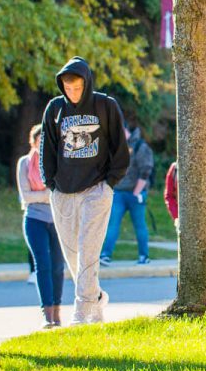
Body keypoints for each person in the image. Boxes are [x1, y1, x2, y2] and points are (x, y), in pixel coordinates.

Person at [40, 57, 131, 326]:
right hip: (63, 191)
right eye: (68, 88)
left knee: (89, 250)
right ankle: (97, 297)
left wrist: (110, 182)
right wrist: (51, 183)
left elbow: (119, 147)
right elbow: (47, 146)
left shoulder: (105, 105)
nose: (73, 93)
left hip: (96, 189)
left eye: (78, 87)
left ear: (87, 83)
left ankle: (81, 312)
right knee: (72, 253)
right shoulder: (55, 108)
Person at [17, 124, 66, 328]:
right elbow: (25, 196)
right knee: (42, 266)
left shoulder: (58, 162)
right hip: (34, 219)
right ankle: (46, 313)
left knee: (57, 267)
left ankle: (57, 311)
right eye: (39, 141)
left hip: (57, 220)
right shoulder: (25, 163)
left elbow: (62, 192)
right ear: (33, 142)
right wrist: (47, 195)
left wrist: (44, 196)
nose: (42, 144)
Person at [101, 125, 155, 266]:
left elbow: (146, 170)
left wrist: (137, 192)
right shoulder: (115, 147)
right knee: (112, 224)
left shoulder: (140, 146)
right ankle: (105, 255)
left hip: (135, 193)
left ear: (126, 130)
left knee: (140, 225)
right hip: (118, 193)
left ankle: (144, 256)